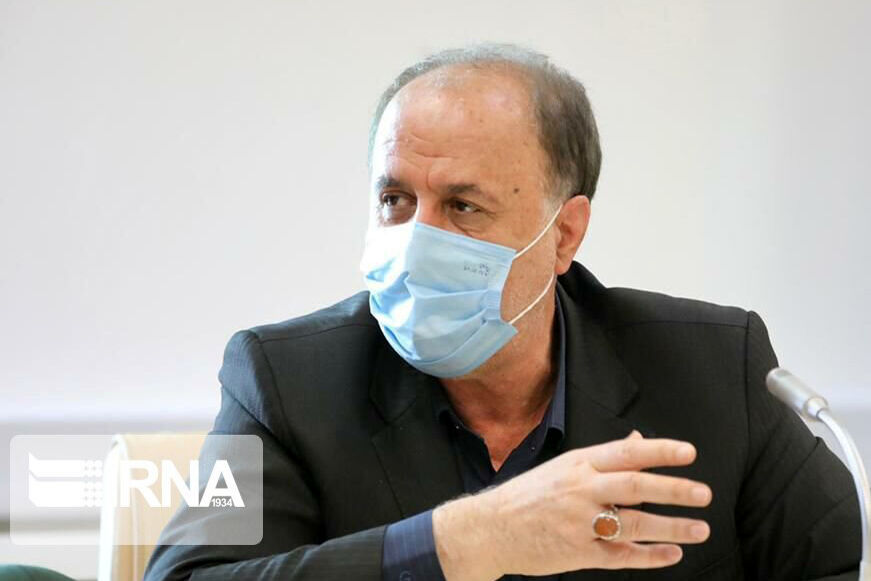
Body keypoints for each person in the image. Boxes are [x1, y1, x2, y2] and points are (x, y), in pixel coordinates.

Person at [145, 43, 861, 580]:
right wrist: (461, 542)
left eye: (463, 206)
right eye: (395, 200)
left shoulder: (716, 368)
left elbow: (844, 564)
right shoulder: (281, 379)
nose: (415, 241)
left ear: (564, 234)